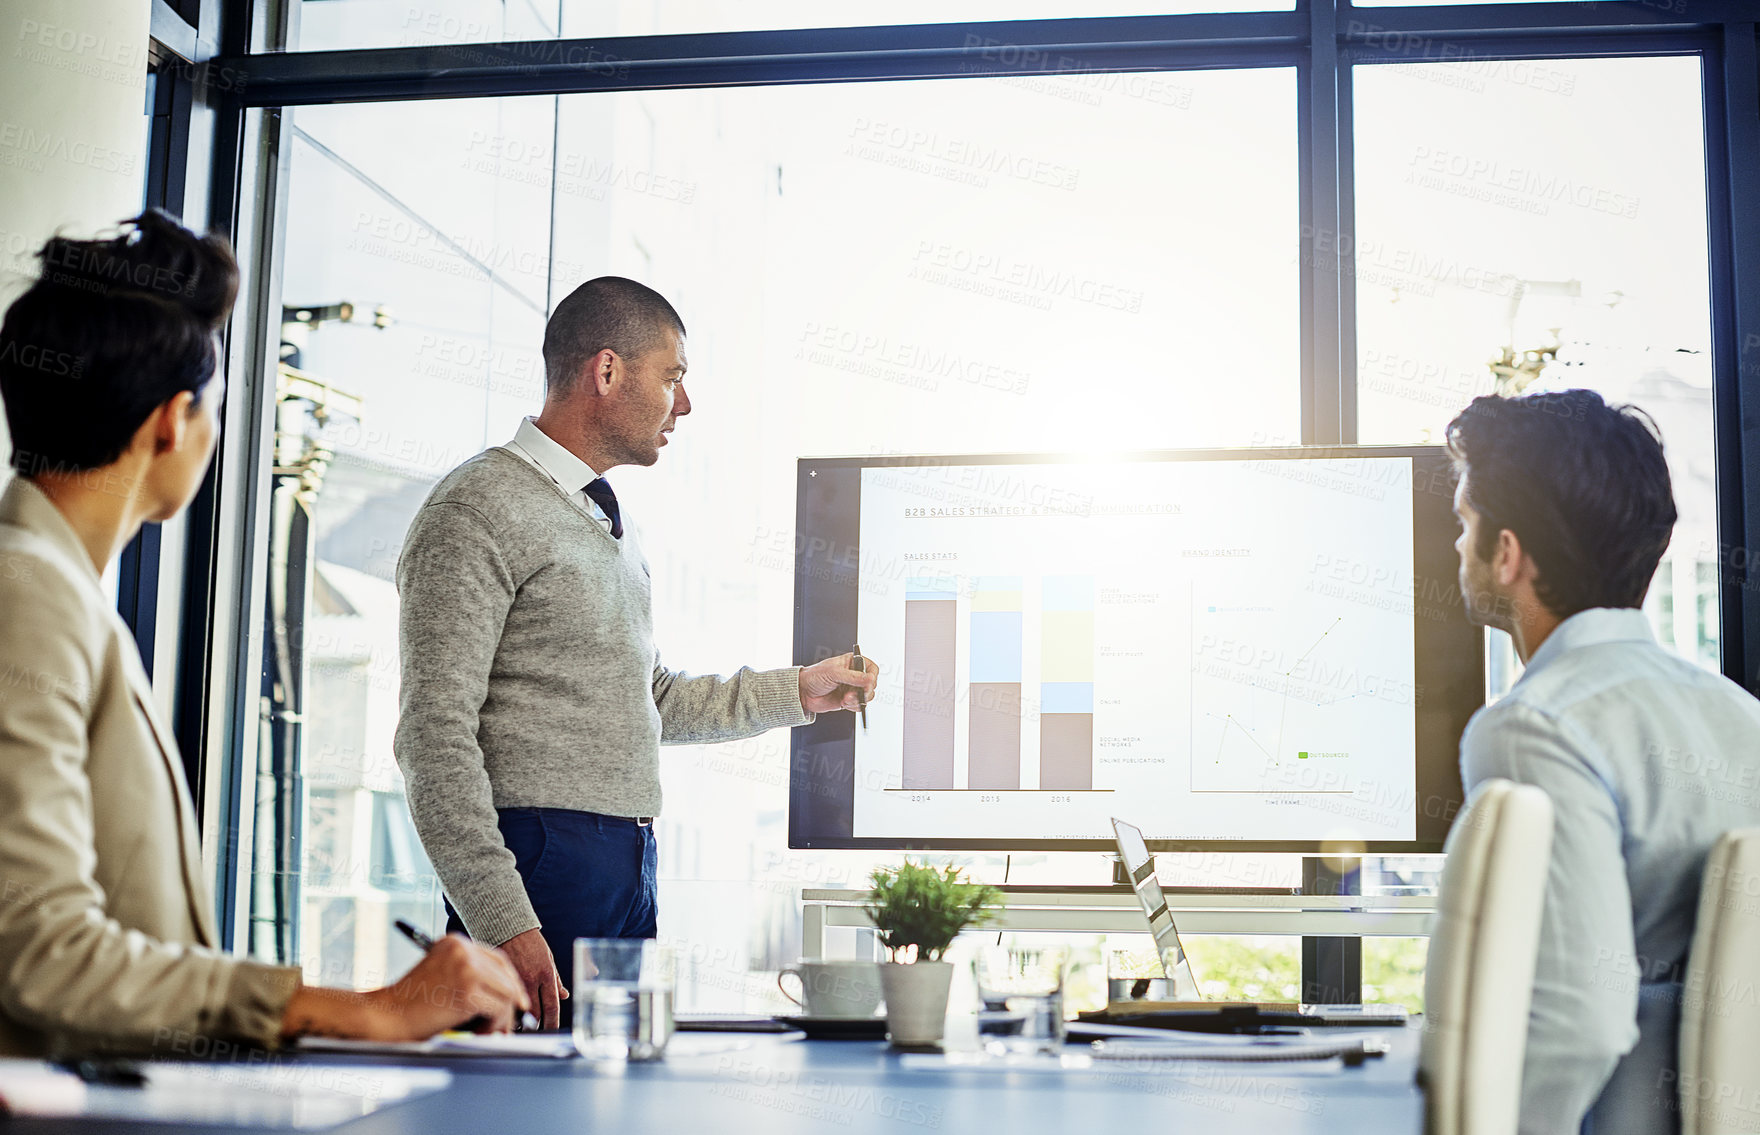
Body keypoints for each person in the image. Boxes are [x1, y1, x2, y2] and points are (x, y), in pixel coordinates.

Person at [0, 211, 528, 1056]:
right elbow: (40, 951)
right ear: (173, 424)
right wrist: (361, 1008)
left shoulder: (54, 588)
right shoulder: (28, 595)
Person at [394, 276, 877, 1030]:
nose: (683, 404)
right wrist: (503, 919)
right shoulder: (476, 507)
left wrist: (801, 692)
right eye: (674, 376)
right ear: (608, 371)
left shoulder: (603, 522)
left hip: (626, 864)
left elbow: (647, 700)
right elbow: (432, 737)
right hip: (536, 868)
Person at [1446, 389, 1760, 1135]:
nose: (1457, 547)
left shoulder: (1534, 727)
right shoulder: (1741, 715)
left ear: (1508, 552)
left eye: (1464, 524)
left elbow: (1577, 1019)